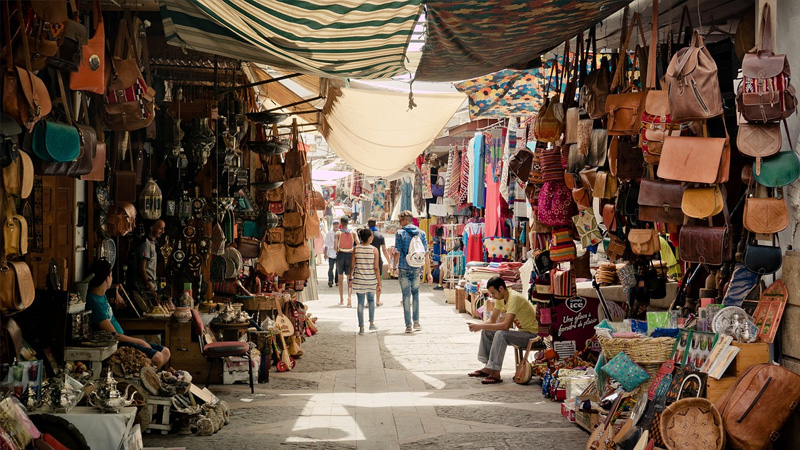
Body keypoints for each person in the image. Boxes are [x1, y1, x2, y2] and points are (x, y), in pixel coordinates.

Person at [87, 260, 171, 368]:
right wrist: (139, 341)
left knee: (166, 352)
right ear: (107, 278)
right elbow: (114, 336)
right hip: (118, 343)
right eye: (111, 275)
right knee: (158, 358)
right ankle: (146, 377)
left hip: (124, 338)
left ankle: (148, 375)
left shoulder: (101, 295)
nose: (112, 279)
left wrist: (117, 292)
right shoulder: (94, 302)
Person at [467, 276, 539, 385]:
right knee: (487, 331)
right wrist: (479, 325)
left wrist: (480, 326)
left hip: (534, 336)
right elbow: (492, 320)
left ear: (501, 288)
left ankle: (495, 372)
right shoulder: (501, 299)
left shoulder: (514, 298)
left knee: (501, 334)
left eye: (493, 293)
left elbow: (505, 326)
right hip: (523, 333)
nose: (492, 296)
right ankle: (488, 367)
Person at [394, 210, 430, 333]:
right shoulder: (421, 233)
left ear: (405, 220)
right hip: (416, 267)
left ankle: (408, 325)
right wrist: (429, 272)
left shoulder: (400, 233)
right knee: (416, 294)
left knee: (405, 295)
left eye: (400, 221)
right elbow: (426, 254)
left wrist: (394, 267)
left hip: (404, 267)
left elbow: (397, 252)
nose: (400, 224)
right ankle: (417, 322)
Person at [349, 228, 381, 335]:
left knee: (360, 303)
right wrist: (379, 282)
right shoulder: (374, 250)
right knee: (371, 301)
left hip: (359, 280)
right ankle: (371, 323)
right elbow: (376, 268)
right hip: (371, 279)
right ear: (369, 237)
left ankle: (361, 327)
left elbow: (352, 266)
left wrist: (350, 278)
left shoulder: (356, 249)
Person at [131, 219, 165, 300]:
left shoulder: (153, 244)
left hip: (152, 286)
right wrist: (149, 286)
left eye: (163, 229)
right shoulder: (146, 244)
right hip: (145, 288)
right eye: (160, 228)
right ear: (152, 228)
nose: (163, 231)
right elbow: (141, 268)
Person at [335, 216, 359, 307]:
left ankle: (341, 299)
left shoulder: (338, 233)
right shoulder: (353, 232)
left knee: (340, 278)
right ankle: (349, 298)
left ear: (341, 223)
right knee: (350, 278)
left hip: (341, 255)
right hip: (350, 255)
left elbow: (335, 247)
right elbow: (358, 243)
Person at [367, 218, 391, 306]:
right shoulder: (380, 236)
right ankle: (377, 300)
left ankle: (368, 301)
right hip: (377, 261)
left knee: (367, 280)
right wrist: (389, 262)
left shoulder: (365, 235)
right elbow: (384, 250)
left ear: (368, 225)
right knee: (378, 280)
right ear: (376, 224)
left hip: (367, 260)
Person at [323, 219, 340, 287]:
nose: (336, 225)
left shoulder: (340, 233)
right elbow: (326, 244)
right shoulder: (329, 233)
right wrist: (325, 253)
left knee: (338, 268)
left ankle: (337, 281)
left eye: (337, 223)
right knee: (331, 267)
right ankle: (330, 280)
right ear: (333, 225)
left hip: (338, 252)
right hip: (331, 253)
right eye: (335, 224)